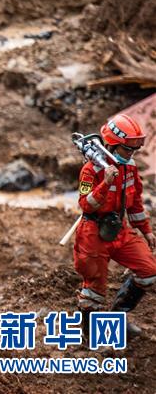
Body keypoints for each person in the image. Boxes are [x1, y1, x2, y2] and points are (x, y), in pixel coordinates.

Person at [74, 113, 156, 332]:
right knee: (94, 291)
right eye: (127, 149)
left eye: (133, 150)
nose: (131, 154)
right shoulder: (90, 171)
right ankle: (91, 335)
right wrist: (105, 184)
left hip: (119, 228)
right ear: (112, 145)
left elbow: (135, 203)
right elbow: (85, 204)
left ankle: (117, 317)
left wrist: (146, 231)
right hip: (93, 232)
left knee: (149, 272)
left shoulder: (129, 168)